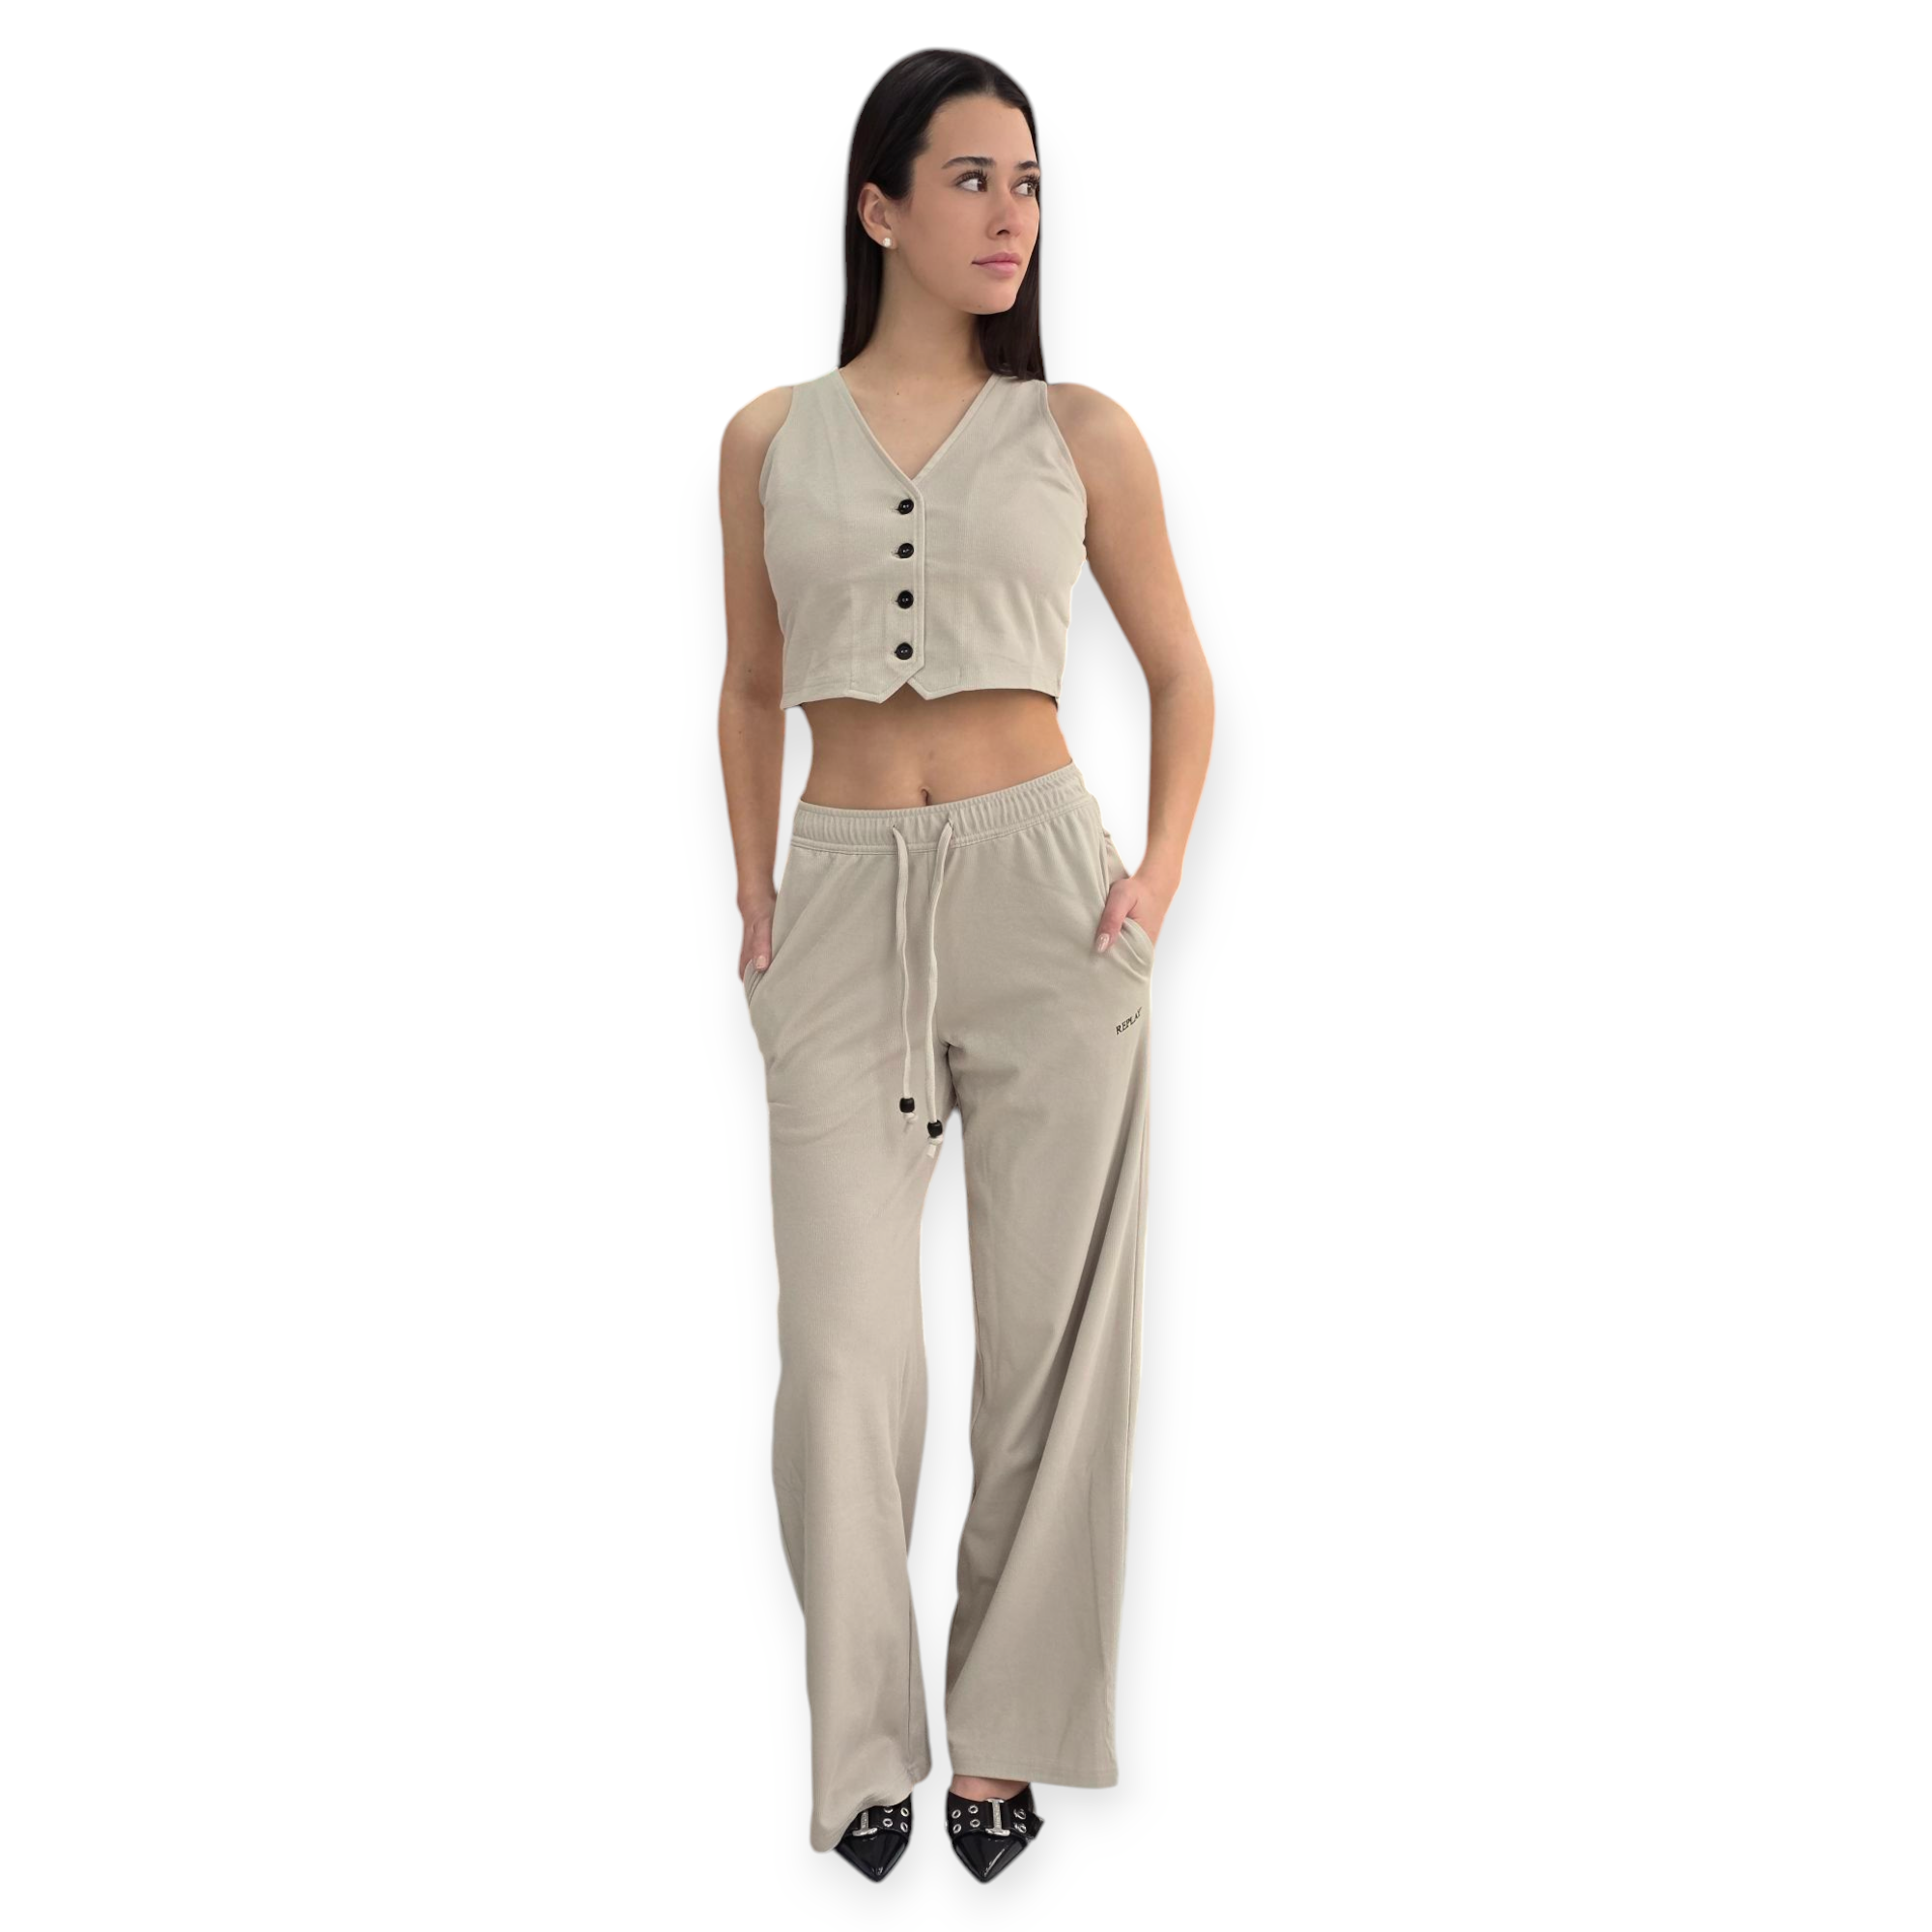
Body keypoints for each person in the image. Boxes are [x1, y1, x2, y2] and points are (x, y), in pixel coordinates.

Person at [717, 49, 1213, 1882]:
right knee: (841, 1355)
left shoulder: (1081, 433)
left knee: (1050, 1346)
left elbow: (1182, 673)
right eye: (972, 179)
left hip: (1047, 897)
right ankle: (862, 1743)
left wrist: (1153, 879)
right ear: (880, 207)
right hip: (842, 900)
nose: (1012, 215)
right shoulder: (768, 439)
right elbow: (751, 683)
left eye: (1030, 182)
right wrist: (759, 895)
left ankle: (1004, 1737)